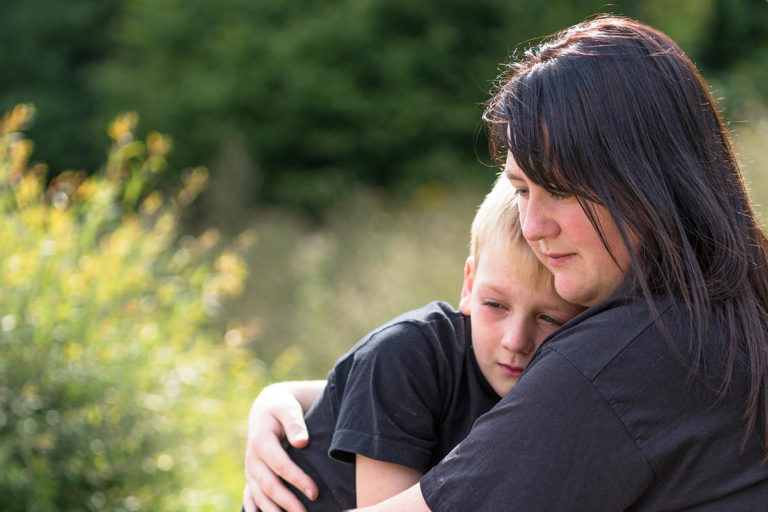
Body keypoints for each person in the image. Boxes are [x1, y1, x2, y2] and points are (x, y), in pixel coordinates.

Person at [246, 15, 768, 511]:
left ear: (646, 181)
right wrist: (293, 398)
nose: (534, 225)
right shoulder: (727, 318)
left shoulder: (618, 361)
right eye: (521, 189)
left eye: (561, 190)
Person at [243, 176, 585, 511]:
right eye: (495, 305)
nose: (515, 340)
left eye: (549, 319)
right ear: (469, 286)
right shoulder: (405, 355)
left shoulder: (561, 385)